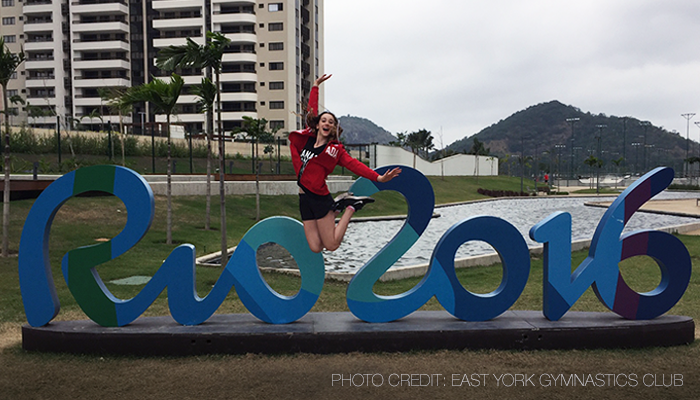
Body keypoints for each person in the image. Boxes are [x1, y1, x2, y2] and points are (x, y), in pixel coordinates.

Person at [289, 74, 401, 253]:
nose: (327, 123)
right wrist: (315, 86)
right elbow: (311, 111)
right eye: (324, 120)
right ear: (317, 125)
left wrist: (378, 178)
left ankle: (350, 207)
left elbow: (354, 165)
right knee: (316, 247)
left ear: (333, 128)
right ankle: (339, 205)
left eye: (331, 122)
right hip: (303, 198)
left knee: (331, 245)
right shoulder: (306, 140)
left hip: (319, 199)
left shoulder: (335, 151)